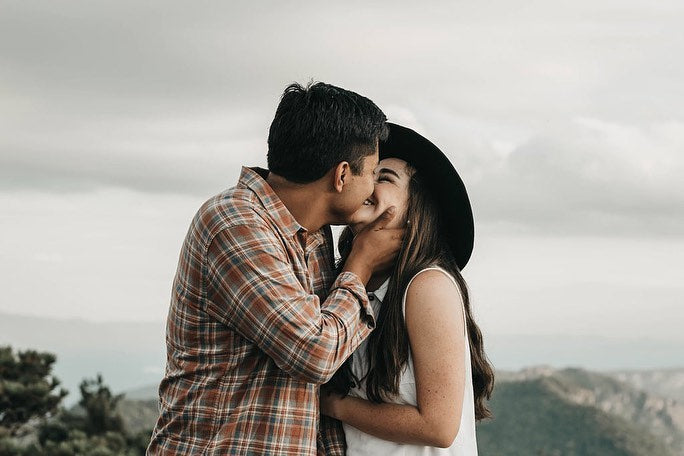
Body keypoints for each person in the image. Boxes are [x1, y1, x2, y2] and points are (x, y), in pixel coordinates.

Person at [147, 82, 404, 455]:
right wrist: (360, 266)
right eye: (372, 173)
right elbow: (315, 353)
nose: (372, 189)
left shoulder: (313, 235)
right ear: (342, 175)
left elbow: (308, 395)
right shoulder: (234, 224)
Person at [320, 123, 495, 455]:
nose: (369, 183)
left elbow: (439, 427)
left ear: (417, 209)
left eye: (384, 178)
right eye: (370, 174)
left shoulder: (427, 285)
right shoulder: (351, 282)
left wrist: (333, 405)